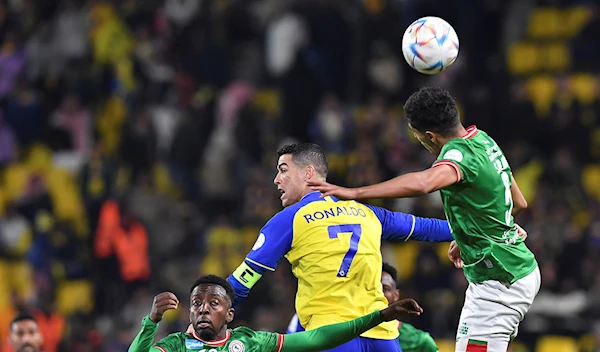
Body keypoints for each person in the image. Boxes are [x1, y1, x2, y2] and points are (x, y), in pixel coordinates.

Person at [309, 87, 540, 352]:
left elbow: (423, 183)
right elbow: (517, 202)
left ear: (429, 136)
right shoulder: (484, 140)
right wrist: (469, 237)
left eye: (417, 135)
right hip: (517, 268)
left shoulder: (458, 156)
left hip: (499, 281)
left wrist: (355, 192)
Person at [226, 143, 455, 351]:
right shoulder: (367, 213)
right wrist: (475, 232)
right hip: (381, 336)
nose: (276, 179)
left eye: (283, 170)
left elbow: (242, 282)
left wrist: (208, 323)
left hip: (332, 336)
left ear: (308, 173)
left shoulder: (289, 220)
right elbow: (428, 228)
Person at [128, 274, 424, 352]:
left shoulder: (251, 343)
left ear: (230, 314)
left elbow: (316, 340)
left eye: (213, 303)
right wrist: (151, 321)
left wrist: (379, 317)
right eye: (196, 303)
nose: (203, 307)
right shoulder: (177, 346)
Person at [287, 262, 439, 352]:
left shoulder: (419, 341)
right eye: (370, 288)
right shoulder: (327, 325)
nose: (376, 295)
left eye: (384, 289)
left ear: (396, 295)